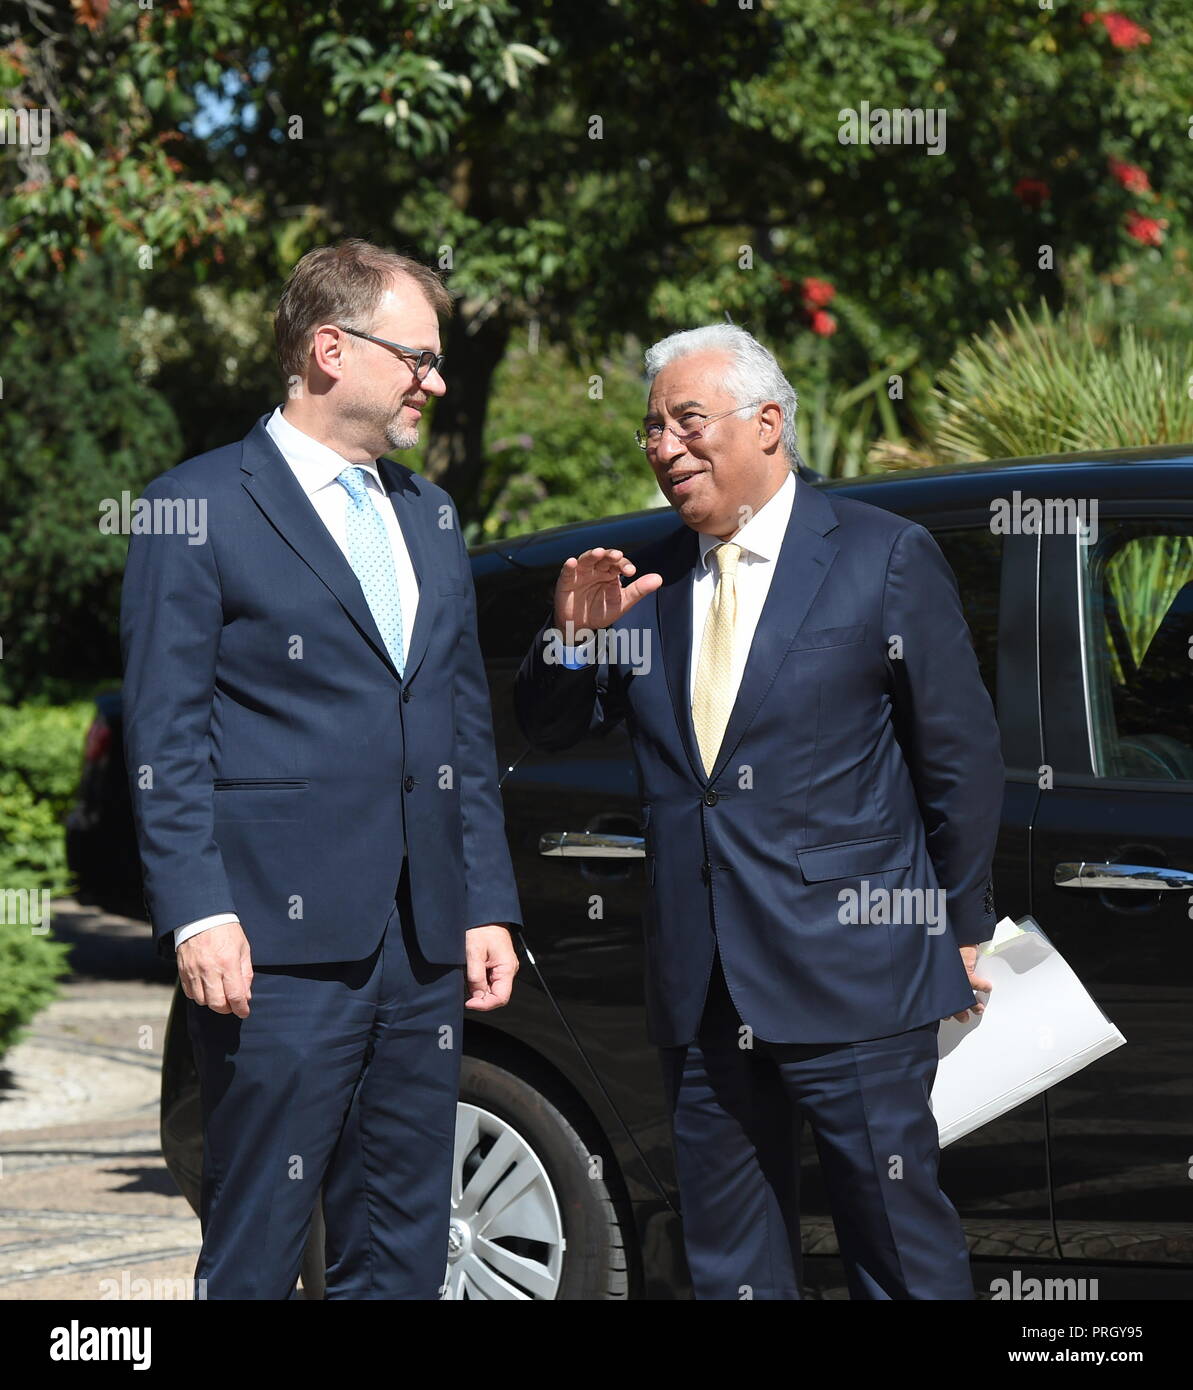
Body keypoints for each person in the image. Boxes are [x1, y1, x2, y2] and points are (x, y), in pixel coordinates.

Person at [514, 324, 1003, 1299]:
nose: (662, 446)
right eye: (651, 428)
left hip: (857, 971)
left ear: (767, 422)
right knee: (729, 1264)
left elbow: (957, 755)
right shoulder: (642, 588)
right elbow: (547, 725)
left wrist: (961, 923)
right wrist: (570, 643)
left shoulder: (880, 557)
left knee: (898, 1249)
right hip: (701, 987)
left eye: (685, 421)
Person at [121, 239, 521, 1299]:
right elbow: (165, 736)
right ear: (330, 348)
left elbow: (458, 728)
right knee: (257, 1237)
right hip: (271, 948)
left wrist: (484, 900)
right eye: (417, 358)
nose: (434, 383)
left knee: (400, 1241)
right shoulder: (195, 506)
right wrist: (197, 910)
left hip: (422, 940)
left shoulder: (428, 515)